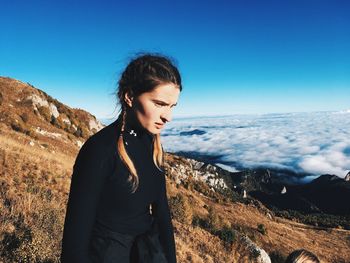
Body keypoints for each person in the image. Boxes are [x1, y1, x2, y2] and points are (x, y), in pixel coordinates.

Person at [61, 53, 182, 263]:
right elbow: (74, 244)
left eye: (172, 106)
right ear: (130, 96)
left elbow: (163, 214)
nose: (168, 116)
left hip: (148, 253)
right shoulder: (99, 150)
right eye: (160, 104)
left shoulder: (153, 144)